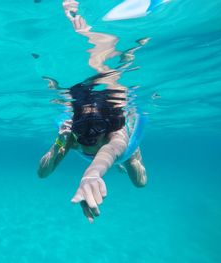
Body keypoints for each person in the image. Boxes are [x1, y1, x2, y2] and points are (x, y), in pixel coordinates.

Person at [37, 0, 147, 223]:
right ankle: (107, 47)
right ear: (75, 123)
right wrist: (60, 140)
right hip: (105, 152)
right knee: (103, 70)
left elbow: (107, 154)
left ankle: (99, 42)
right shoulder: (70, 138)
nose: (88, 137)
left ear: (107, 126)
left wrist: (92, 174)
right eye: (82, 127)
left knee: (139, 183)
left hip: (124, 150)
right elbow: (43, 173)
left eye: (96, 127)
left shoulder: (116, 137)